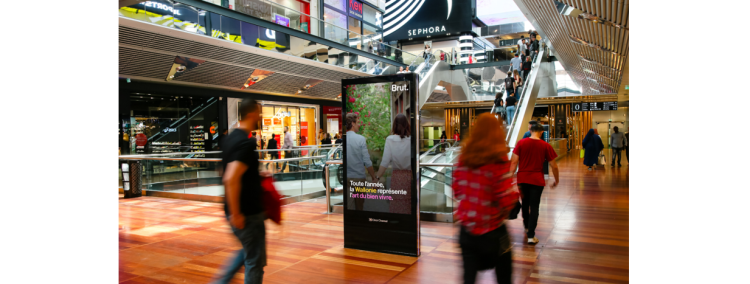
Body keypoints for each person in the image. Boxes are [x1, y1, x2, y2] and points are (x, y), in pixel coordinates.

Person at [453, 113, 518, 284]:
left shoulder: (463, 159)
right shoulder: (498, 160)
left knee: (469, 278)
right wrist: (515, 192)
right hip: (492, 233)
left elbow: (457, 192)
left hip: (466, 231)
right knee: (504, 277)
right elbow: (506, 200)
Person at [213, 98, 270, 284]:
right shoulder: (246, 143)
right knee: (254, 261)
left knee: (247, 251)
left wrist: (255, 177)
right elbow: (231, 177)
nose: (260, 117)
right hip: (247, 213)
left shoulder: (229, 139)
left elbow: (226, 172)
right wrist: (237, 213)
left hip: (235, 211)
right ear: (252, 114)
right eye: (259, 114)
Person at [509, 122, 559, 245]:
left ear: (530, 130)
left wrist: (509, 179)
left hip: (522, 179)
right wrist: (556, 180)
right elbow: (554, 166)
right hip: (537, 180)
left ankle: (526, 227)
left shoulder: (521, 143)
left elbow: (514, 162)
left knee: (525, 204)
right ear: (542, 132)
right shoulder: (545, 145)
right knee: (535, 206)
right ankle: (531, 235)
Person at [374, 114, 412, 214]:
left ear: (395, 125)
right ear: (406, 124)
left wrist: (377, 178)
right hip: (410, 177)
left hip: (397, 177)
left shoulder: (390, 140)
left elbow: (385, 162)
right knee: (408, 204)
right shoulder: (412, 140)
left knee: (396, 204)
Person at [345, 113, 377, 210]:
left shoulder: (343, 139)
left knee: (349, 207)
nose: (359, 124)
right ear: (353, 124)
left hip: (347, 178)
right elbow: (367, 161)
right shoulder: (360, 139)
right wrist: (374, 178)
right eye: (358, 122)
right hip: (359, 179)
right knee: (359, 207)